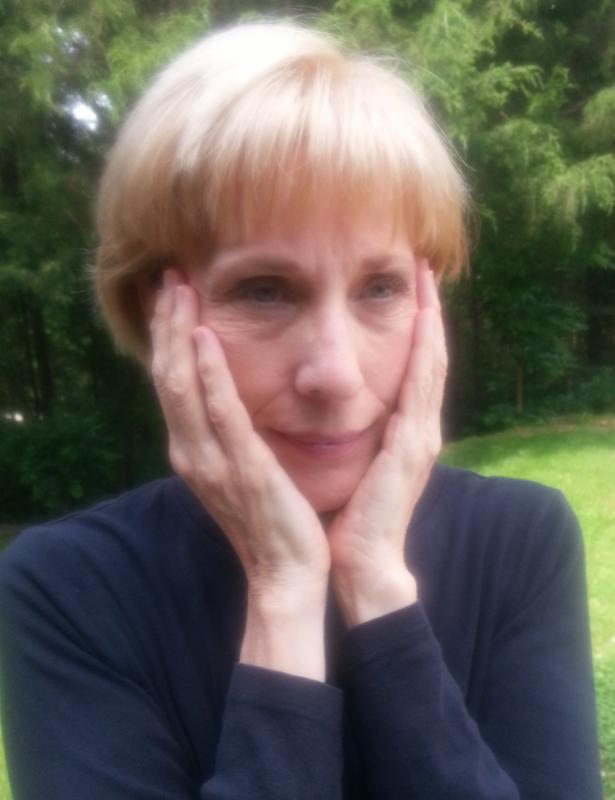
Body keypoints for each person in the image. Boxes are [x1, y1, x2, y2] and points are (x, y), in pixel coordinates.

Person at [0, 19, 602, 800]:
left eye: (378, 287)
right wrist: (283, 594)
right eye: (265, 291)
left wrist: (377, 585)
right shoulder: (70, 589)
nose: (335, 374)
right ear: (158, 311)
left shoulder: (519, 542)